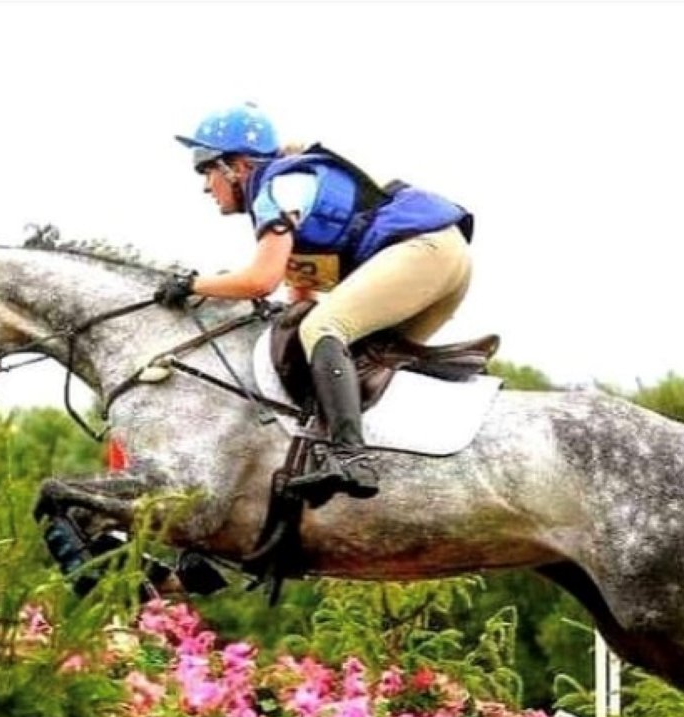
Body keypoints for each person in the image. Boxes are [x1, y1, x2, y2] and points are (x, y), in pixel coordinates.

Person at [160, 103, 476, 501]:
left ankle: (349, 457)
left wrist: (192, 285)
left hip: (425, 251)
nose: (206, 186)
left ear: (235, 167)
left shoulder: (276, 191)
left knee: (324, 329)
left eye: (205, 168)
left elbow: (261, 280)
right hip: (443, 259)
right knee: (357, 357)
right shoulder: (291, 185)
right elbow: (301, 294)